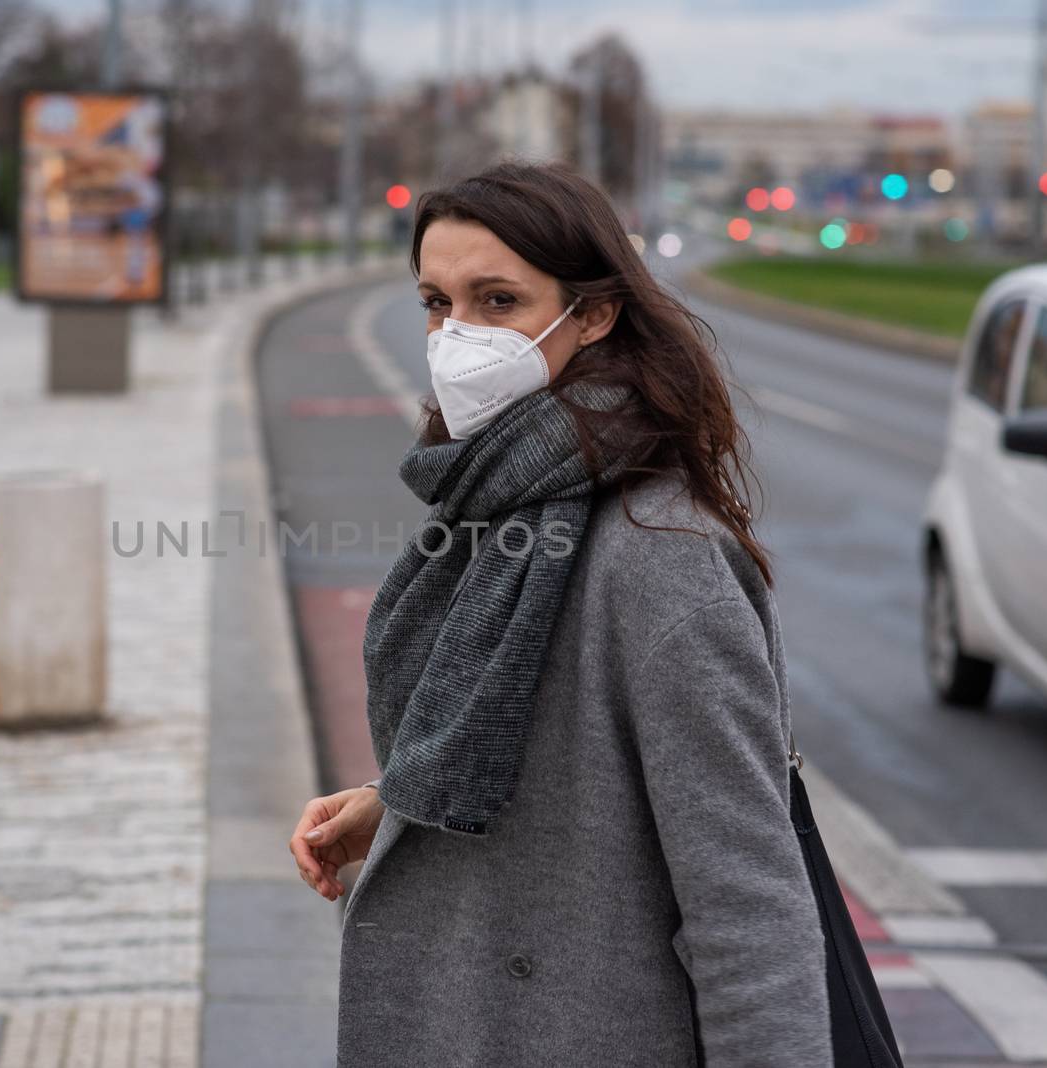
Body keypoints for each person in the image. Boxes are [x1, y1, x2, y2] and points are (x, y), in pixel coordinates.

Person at [287, 159, 833, 1066]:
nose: (456, 335)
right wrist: (400, 801)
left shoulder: (663, 562)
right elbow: (551, 753)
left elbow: (748, 911)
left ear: (594, 313)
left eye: (497, 301)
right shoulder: (488, 504)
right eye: (436, 301)